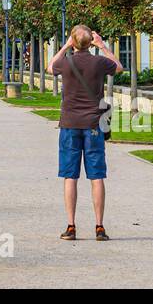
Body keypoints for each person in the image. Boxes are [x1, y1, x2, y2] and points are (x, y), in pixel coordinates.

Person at [48, 26, 123, 242]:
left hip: (70, 123)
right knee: (96, 176)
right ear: (91, 42)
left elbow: (49, 66)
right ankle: (99, 226)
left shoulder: (65, 62)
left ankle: (71, 226)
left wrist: (65, 46)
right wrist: (102, 46)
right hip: (93, 125)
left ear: (73, 41)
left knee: (70, 176)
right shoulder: (99, 62)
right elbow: (118, 67)